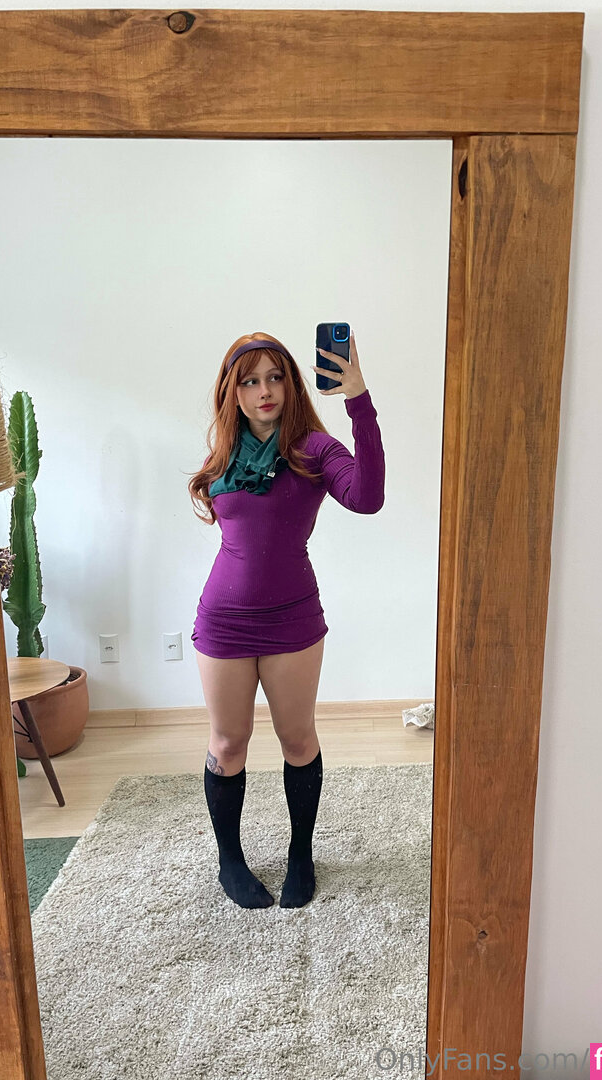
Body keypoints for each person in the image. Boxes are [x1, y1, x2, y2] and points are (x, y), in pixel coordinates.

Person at [187, 331, 385, 910]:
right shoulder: (224, 454)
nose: (264, 390)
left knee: (297, 738)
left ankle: (301, 854)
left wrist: (358, 399)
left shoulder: (314, 450)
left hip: (292, 619)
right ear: (233, 392)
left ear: (292, 383)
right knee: (228, 743)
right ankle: (230, 860)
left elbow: (368, 497)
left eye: (275, 377)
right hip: (223, 620)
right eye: (250, 381)